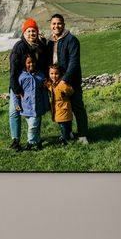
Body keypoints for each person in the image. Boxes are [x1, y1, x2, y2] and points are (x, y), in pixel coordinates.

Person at [8, 18, 49, 151]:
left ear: (37, 32)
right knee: (14, 111)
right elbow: (13, 70)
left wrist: (44, 80)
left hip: (36, 83)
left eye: (34, 31)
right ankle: (16, 140)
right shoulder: (19, 47)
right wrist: (16, 88)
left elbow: (43, 65)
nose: (31, 33)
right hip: (19, 84)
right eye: (28, 31)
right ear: (24, 33)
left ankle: (36, 139)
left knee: (37, 109)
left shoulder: (41, 47)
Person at [47, 13, 88, 143]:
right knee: (64, 108)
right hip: (57, 82)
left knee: (77, 107)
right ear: (50, 25)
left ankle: (82, 136)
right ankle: (68, 133)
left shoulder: (71, 40)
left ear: (63, 25)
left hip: (71, 81)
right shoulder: (49, 42)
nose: (56, 26)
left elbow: (74, 62)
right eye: (54, 23)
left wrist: (65, 80)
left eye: (59, 23)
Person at [13, 54, 49, 151]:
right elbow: (16, 92)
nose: (31, 64)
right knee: (33, 126)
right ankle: (38, 143)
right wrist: (17, 104)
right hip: (26, 106)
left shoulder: (40, 76)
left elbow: (45, 92)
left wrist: (46, 105)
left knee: (32, 127)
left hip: (38, 106)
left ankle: (29, 144)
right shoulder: (21, 77)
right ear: (25, 64)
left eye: (33, 62)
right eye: (28, 62)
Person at [45, 65, 74, 147]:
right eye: (51, 73)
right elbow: (53, 89)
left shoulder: (62, 84)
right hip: (58, 108)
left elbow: (70, 91)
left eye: (56, 74)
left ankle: (64, 139)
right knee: (65, 123)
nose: (54, 76)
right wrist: (47, 85)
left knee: (63, 124)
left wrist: (65, 88)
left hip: (63, 108)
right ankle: (68, 134)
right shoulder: (54, 84)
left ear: (60, 74)